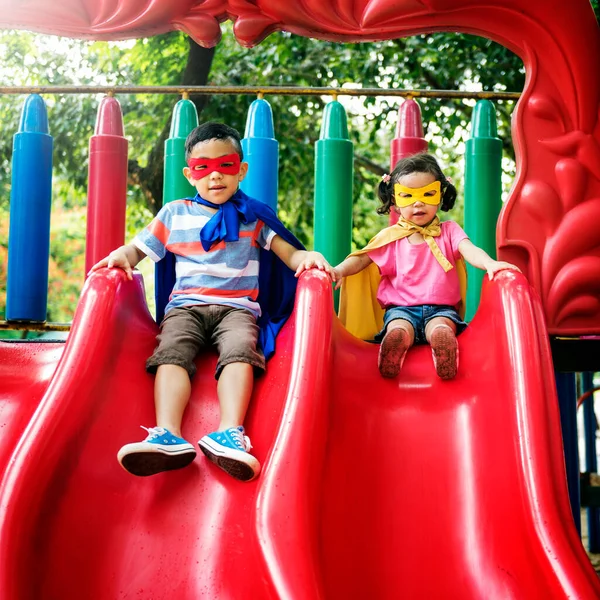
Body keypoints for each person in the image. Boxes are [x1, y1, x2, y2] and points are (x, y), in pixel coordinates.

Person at [90, 121, 335, 481]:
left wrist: (307, 258)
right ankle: (166, 433)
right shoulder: (174, 214)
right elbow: (139, 249)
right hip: (185, 307)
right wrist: (121, 257)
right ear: (190, 174)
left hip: (238, 309)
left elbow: (288, 253)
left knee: (240, 352)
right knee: (171, 352)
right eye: (204, 168)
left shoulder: (254, 216)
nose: (215, 176)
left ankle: (231, 433)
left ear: (242, 170)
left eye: (226, 166)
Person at [333, 152, 519, 381]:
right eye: (408, 196)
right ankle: (395, 347)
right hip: (400, 308)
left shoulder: (449, 231)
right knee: (399, 327)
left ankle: (443, 348)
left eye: (427, 194)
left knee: (441, 327)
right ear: (395, 202)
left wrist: (490, 263)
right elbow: (362, 259)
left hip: (442, 309)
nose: (418, 203)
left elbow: (468, 249)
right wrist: (339, 269)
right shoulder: (391, 237)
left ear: (440, 196)